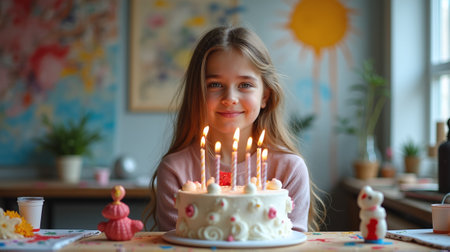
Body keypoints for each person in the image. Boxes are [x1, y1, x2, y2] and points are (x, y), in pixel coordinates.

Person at [144, 26, 325, 232]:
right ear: (197, 94)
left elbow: (292, 242)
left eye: (245, 85)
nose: (230, 98)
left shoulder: (289, 169)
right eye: (215, 84)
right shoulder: (176, 170)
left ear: (265, 95)